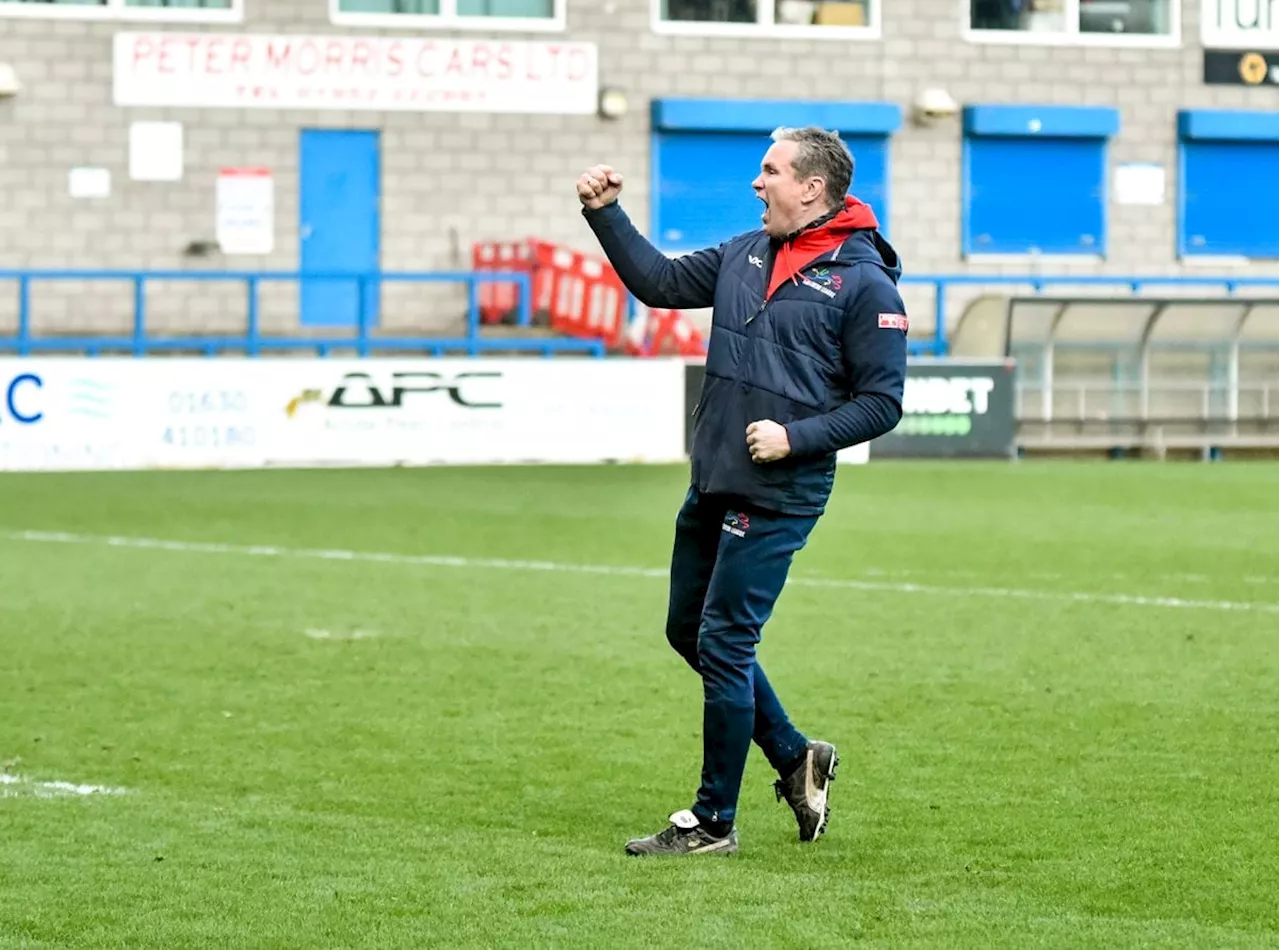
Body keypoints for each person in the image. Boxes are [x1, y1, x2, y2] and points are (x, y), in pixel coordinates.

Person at [576, 126, 909, 857]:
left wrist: (797, 437)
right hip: (716, 475)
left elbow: (882, 402)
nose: (758, 184)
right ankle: (796, 758)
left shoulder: (864, 284)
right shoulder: (743, 253)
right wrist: (605, 213)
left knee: (725, 642)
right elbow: (660, 284)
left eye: (771, 171)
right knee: (685, 630)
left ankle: (713, 822)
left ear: (813, 187)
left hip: (781, 489)